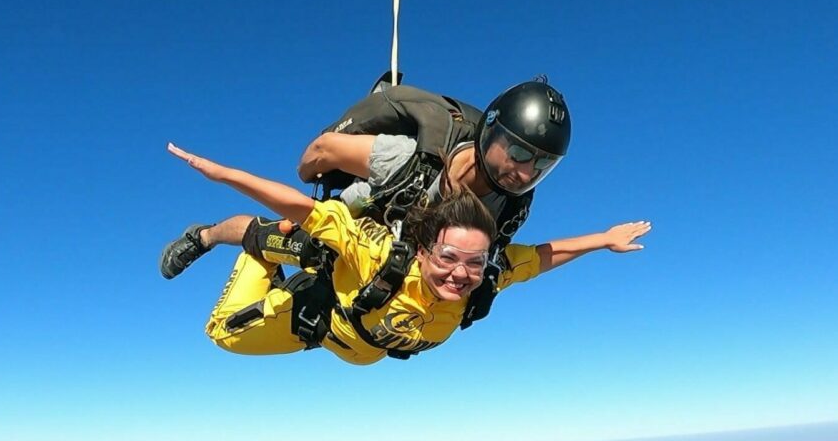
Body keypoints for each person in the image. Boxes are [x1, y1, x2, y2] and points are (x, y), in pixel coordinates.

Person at [165, 142, 651, 365]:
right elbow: (298, 203)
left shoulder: (484, 279)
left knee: (305, 239)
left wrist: (603, 240)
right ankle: (216, 237)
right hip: (318, 314)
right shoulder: (378, 254)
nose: (460, 274)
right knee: (224, 331)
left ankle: (281, 249)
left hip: (356, 334)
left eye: (474, 263)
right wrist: (224, 174)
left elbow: (542, 257)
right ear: (421, 252)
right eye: (448, 258)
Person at [161, 77, 572, 329]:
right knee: (273, 235)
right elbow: (324, 148)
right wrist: (310, 178)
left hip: (394, 256)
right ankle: (205, 236)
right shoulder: (408, 156)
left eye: (542, 165)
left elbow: (498, 258)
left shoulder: (510, 205)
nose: (525, 172)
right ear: (490, 133)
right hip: (359, 219)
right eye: (518, 154)